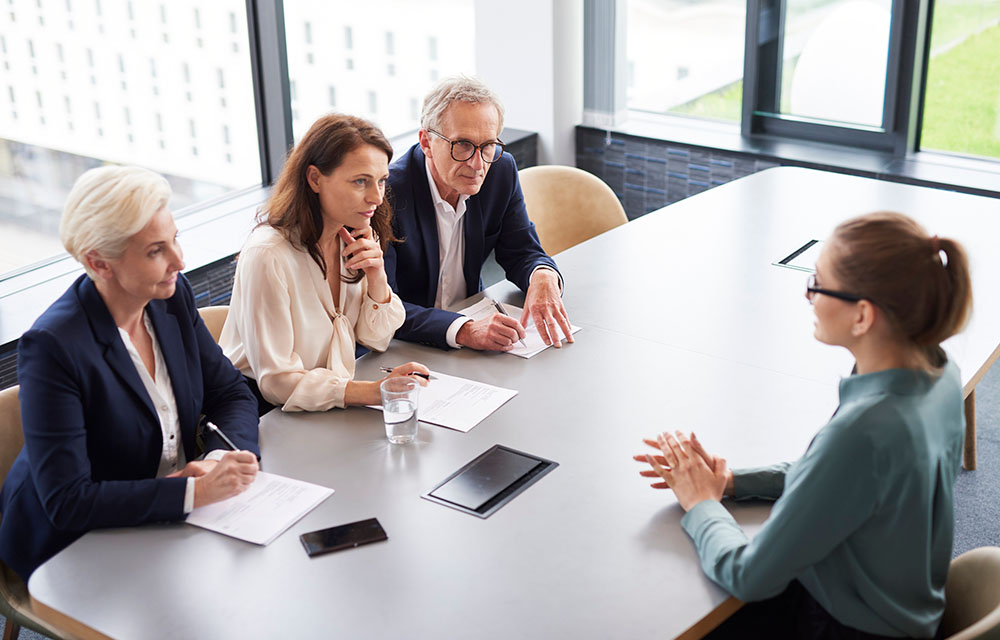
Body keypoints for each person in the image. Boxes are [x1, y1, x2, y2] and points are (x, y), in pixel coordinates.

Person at [636, 211, 972, 639]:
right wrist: (734, 481)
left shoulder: (864, 432)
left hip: (848, 626)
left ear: (863, 316)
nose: (808, 295)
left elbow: (749, 576)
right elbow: (839, 478)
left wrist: (702, 504)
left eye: (817, 283)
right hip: (905, 608)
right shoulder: (941, 372)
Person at [0, 166, 261, 582]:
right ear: (99, 263)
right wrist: (192, 492)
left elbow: (230, 393)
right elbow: (69, 501)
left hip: (169, 514)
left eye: (174, 238)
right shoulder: (52, 347)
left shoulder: (170, 300)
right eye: (156, 250)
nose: (179, 260)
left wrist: (217, 460)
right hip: (75, 541)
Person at [220, 114, 428, 414]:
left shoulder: (352, 234)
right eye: (360, 181)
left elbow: (376, 338)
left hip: (327, 403)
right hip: (266, 415)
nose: (376, 198)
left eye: (381, 181)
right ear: (315, 178)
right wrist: (375, 391)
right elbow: (276, 382)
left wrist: (377, 277)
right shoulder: (268, 255)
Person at [385, 75, 574, 352]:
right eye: (462, 144)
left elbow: (521, 251)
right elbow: (382, 307)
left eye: (488, 145)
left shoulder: (500, 171)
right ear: (426, 142)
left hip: (474, 334)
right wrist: (464, 329)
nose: (477, 164)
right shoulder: (386, 194)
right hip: (406, 347)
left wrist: (542, 274)